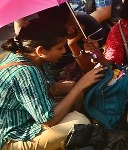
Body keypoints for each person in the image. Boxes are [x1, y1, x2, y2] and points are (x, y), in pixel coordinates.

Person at [0, 19, 104, 150]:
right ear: (40, 51)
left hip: (29, 118)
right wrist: (79, 86)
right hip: (13, 138)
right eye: (59, 48)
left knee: (74, 91)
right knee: (80, 122)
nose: (63, 51)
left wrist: (76, 86)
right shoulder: (26, 71)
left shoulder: (28, 56)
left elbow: (50, 87)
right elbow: (47, 120)